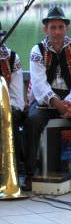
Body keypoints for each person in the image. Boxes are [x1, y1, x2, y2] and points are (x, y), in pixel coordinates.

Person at [24, 6, 71, 191]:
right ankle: (30, 174)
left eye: (60, 27)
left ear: (66, 29)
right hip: (46, 99)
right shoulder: (37, 50)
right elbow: (39, 83)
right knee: (32, 122)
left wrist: (70, 103)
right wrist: (56, 103)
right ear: (46, 29)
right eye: (53, 27)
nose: (57, 32)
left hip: (69, 98)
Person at [0, 22, 25, 166]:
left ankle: (12, 168)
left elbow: (17, 99)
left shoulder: (12, 58)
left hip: (9, 107)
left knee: (11, 117)